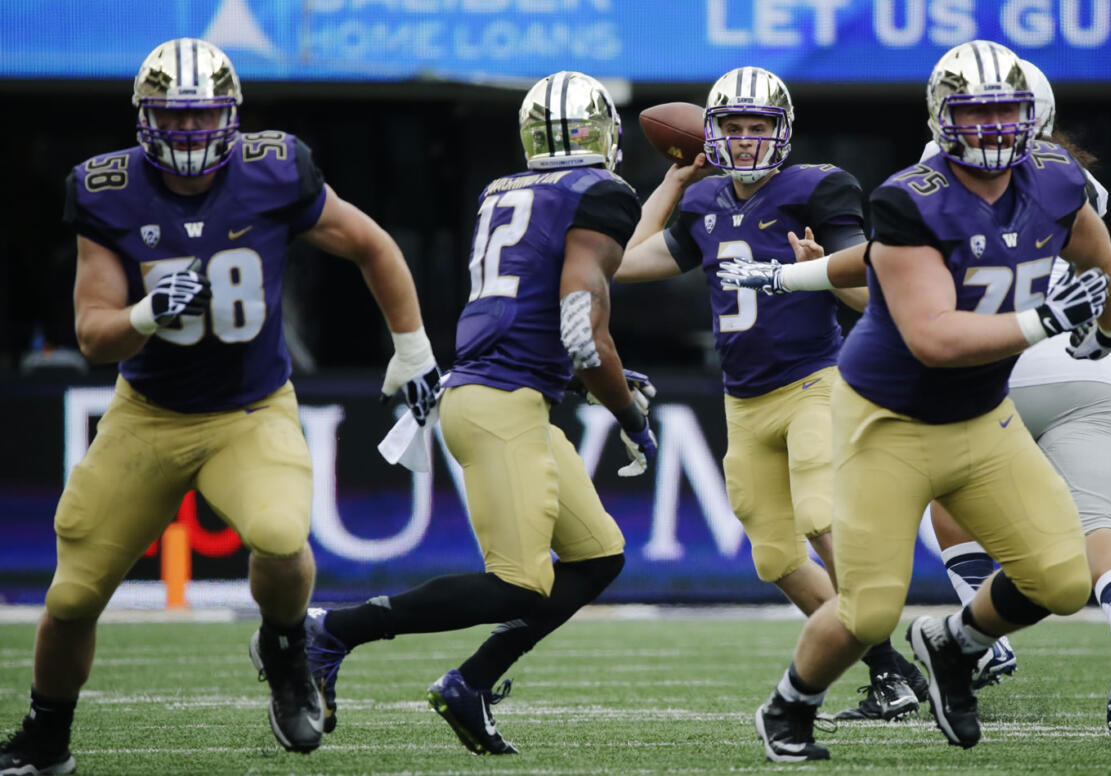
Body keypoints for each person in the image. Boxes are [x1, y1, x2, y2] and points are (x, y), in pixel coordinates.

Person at [0, 38, 443, 774]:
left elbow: (372, 244)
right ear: (144, 121)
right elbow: (93, 335)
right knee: (72, 595)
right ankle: (47, 739)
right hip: (148, 415)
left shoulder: (275, 170)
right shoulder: (107, 190)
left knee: (279, 532)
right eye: (172, 119)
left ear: (231, 116)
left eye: (202, 116)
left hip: (250, 408)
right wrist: (144, 315)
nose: (188, 134)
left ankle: (285, 648)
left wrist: (415, 350)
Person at [731, 40, 1111, 762]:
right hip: (887, 422)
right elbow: (933, 336)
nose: (992, 127)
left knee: (1064, 580)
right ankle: (789, 707)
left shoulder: (1054, 176)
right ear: (943, 119)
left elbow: (1096, 252)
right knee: (869, 607)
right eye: (974, 113)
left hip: (982, 418)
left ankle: (954, 644)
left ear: (1029, 114)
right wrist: (1048, 320)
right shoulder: (909, 197)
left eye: (1005, 109)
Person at [302, 70, 656, 755]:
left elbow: (532, 315)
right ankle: (332, 629)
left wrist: (585, 383)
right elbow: (582, 330)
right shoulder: (601, 192)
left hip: (503, 393)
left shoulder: (506, 190)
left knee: (598, 556)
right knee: (521, 583)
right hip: (501, 403)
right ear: (604, 134)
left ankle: (470, 683)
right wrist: (629, 415)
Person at [617, 66, 928, 724]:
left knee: (822, 516)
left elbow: (873, 295)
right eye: (734, 126)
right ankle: (889, 671)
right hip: (744, 400)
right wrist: (675, 179)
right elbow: (621, 261)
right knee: (776, 556)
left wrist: (816, 269)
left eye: (760, 126)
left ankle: (908, 642)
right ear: (712, 134)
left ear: (782, 132)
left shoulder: (819, 186)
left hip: (817, 380)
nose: (749, 138)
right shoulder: (702, 203)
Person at [923, 59, 1111, 746]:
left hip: (1001, 364)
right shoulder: (1079, 181)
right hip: (1091, 372)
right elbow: (1106, 272)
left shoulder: (944, 170)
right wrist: (1110, 336)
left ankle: (976, 628)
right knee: (1096, 527)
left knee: (943, 489)